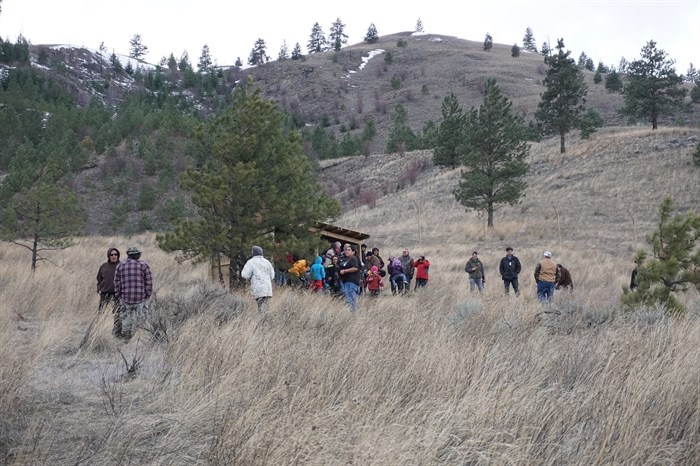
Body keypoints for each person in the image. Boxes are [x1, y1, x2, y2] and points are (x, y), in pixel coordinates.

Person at [113, 246, 153, 342]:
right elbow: (149, 282)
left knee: (126, 319)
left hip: (125, 298)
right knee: (142, 319)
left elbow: (116, 282)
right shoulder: (144, 265)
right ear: (137, 255)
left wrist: (119, 295)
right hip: (140, 298)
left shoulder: (120, 265)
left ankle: (126, 339)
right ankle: (141, 339)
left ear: (128, 255)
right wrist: (147, 295)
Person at [241, 245, 276, 311]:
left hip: (258, 288)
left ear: (253, 253)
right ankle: (266, 318)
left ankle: (262, 319)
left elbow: (245, 275)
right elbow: (272, 276)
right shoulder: (267, 262)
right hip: (267, 288)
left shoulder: (251, 262)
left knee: (260, 305)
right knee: (265, 304)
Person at [97, 247, 120, 313]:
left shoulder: (121, 266)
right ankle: (101, 322)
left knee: (117, 312)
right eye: (111, 255)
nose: (114, 256)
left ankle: (116, 323)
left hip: (117, 294)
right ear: (108, 256)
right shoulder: (104, 266)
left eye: (116, 254)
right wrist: (99, 288)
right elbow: (99, 279)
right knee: (101, 311)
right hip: (105, 292)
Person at [339, 244, 362, 311]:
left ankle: (354, 314)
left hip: (351, 282)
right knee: (351, 300)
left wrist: (345, 271)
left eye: (349, 250)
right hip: (348, 282)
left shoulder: (353, 258)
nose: (347, 251)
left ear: (353, 252)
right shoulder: (350, 259)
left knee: (351, 300)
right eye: (346, 250)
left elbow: (355, 268)